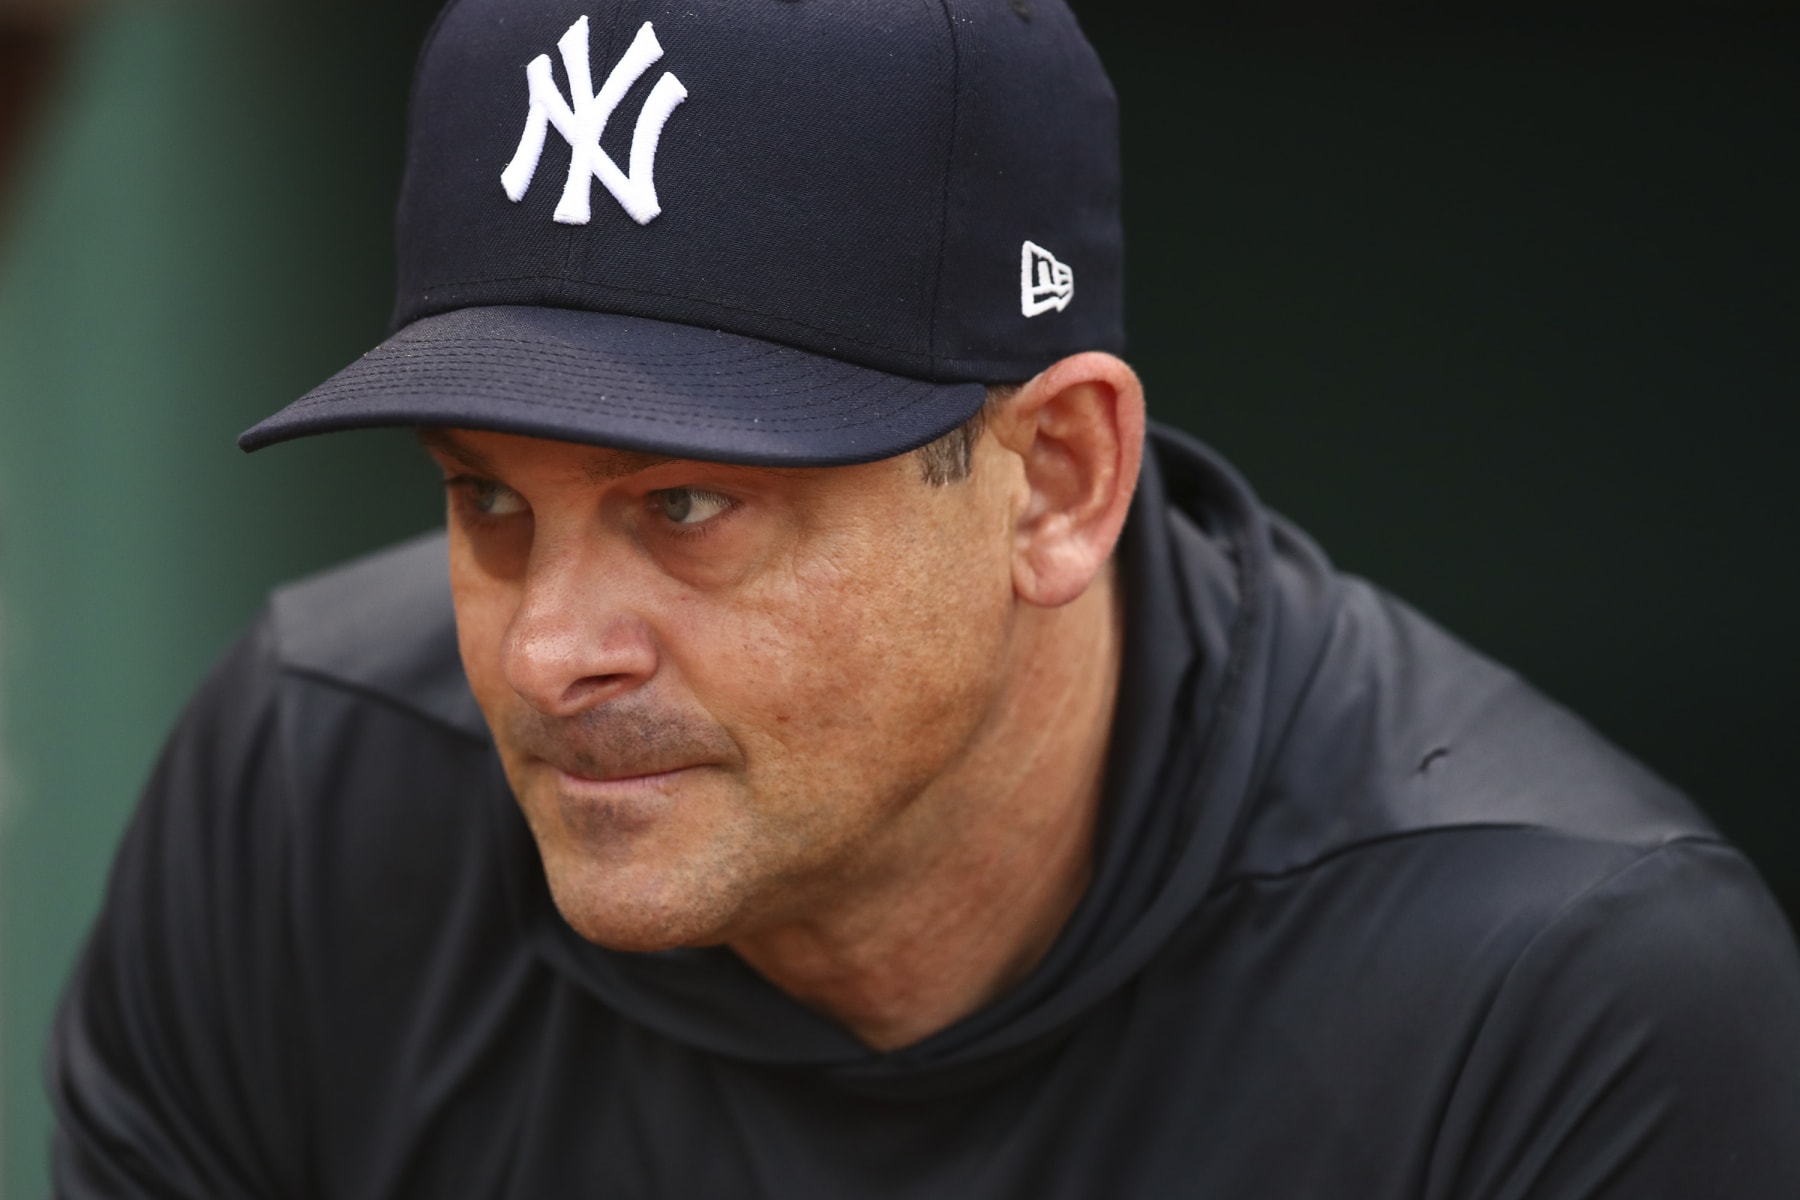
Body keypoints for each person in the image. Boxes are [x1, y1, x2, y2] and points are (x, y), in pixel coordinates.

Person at [48, 1, 1800, 1195]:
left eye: (687, 503)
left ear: (1056, 482)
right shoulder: (305, 800)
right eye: (488, 498)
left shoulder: (1555, 996)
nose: (547, 646)